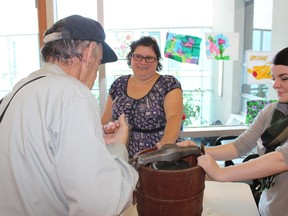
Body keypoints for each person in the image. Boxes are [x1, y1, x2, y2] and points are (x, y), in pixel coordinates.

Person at [0, 15, 138, 216]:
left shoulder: (18, 91)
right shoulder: (73, 94)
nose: (96, 73)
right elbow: (101, 203)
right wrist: (118, 147)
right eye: (98, 62)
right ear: (89, 53)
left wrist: (98, 146)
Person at [179, 47, 288, 216]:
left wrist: (221, 173)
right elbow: (240, 146)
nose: (275, 84)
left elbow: (281, 159)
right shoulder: (272, 111)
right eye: (274, 78)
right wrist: (198, 150)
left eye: (284, 78)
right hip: (269, 207)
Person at [101, 36, 183, 159]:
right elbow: (106, 120)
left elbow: (174, 118)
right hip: (120, 155)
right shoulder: (119, 84)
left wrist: (165, 147)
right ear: (131, 58)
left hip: (157, 156)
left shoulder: (168, 84)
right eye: (138, 56)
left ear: (157, 61)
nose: (143, 62)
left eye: (149, 58)